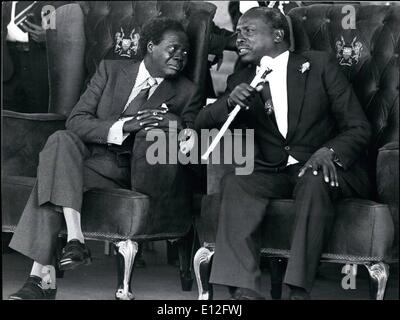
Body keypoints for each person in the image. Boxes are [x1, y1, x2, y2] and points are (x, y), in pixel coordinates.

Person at [8, 17, 202, 300]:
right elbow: (76, 121)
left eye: (186, 52)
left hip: (127, 167)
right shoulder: (110, 70)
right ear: (150, 46)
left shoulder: (187, 91)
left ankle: (39, 280)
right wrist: (126, 125)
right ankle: (74, 239)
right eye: (174, 48)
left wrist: (179, 127)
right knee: (61, 139)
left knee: (50, 176)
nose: (181, 57)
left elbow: (188, 128)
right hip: (84, 157)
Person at [195, 7, 371, 300]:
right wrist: (228, 103)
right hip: (276, 171)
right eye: (237, 33)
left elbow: (358, 127)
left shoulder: (318, 65)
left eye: (248, 31)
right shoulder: (241, 78)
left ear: (278, 35)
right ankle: (244, 291)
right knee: (237, 183)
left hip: (327, 167)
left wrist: (328, 151)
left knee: (315, 177)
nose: (239, 39)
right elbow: (201, 123)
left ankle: (297, 290)